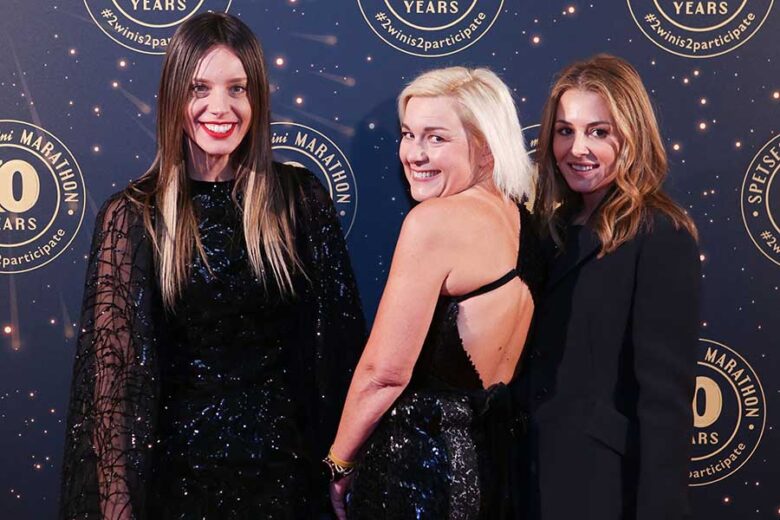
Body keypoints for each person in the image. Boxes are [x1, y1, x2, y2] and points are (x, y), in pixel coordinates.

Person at [59, 12, 365, 519]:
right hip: (176, 487)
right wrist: (117, 507)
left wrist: (342, 465)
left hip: (288, 483)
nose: (219, 107)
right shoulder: (133, 215)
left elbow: (341, 347)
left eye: (237, 88)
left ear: (257, 97)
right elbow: (112, 388)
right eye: (199, 88)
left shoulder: (299, 199)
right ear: (173, 97)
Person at [325, 67, 543, 520]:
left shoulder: (434, 222)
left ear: (485, 146)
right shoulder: (522, 219)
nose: (414, 154)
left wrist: (339, 462)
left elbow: (383, 374)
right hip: (490, 471)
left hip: (420, 471)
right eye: (408, 135)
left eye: (436, 138)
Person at [516, 54, 701, 520]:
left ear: (632, 135)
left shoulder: (659, 232)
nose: (577, 148)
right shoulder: (551, 228)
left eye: (599, 132)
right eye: (565, 130)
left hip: (603, 486)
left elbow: (665, 400)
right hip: (529, 475)